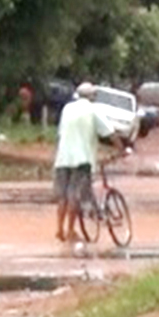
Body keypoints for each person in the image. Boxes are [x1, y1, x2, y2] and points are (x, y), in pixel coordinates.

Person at [52, 81, 120, 244]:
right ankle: (70, 231)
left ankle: (59, 229)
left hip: (62, 158)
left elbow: (61, 133)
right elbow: (110, 132)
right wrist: (122, 149)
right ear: (92, 96)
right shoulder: (93, 109)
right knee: (74, 196)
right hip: (82, 159)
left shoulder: (67, 109)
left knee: (63, 197)